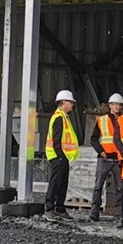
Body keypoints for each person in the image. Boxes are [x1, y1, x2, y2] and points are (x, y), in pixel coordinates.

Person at [90, 93, 123, 222]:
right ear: (110, 105)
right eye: (114, 104)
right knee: (98, 186)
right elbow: (94, 139)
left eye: (119, 105)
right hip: (105, 157)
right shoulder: (102, 120)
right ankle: (94, 212)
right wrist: (100, 151)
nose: (117, 107)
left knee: (120, 188)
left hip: (118, 158)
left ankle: (119, 213)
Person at [43, 90, 78, 220]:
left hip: (61, 156)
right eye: (70, 102)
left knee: (62, 183)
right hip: (58, 156)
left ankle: (59, 208)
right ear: (63, 102)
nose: (72, 105)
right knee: (56, 183)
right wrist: (61, 156)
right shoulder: (59, 117)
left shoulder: (63, 117)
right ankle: (50, 208)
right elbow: (56, 140)